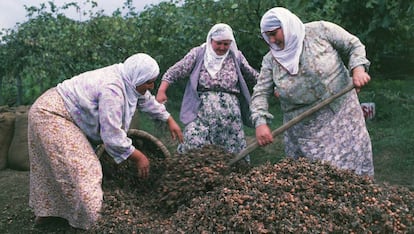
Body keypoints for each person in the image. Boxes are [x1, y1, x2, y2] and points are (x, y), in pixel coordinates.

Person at [28, 53, 183, 230]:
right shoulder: (113, 89)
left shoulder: (129, 79)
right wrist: (139, 157)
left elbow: (145, 99)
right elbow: (112, 137)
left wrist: (168, 118)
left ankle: (53, 216)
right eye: (149, 82)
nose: (152, 86)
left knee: (63, 168)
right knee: (84, 168)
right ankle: (98, 224)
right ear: (138, 77)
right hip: (52, 114)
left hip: (62, 112)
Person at [251, 7, 374, 176]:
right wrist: (260, 122)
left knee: (348, 171)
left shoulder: (319, 31)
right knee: (313, 178)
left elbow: (354, 45)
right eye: (267, 36)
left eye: (274, 33)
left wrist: (358, 69)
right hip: (302, 127)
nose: (272, 40)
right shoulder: (270, 60)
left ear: (286, 25)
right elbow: (260, 92)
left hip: (340, 113)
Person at [156, 23, 258, 158]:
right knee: (193, 142)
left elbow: (253, 75)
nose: (222, 47)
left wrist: (271, 87)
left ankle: (230, 177)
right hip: (201, 110)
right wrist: (162, 90)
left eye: (226, 44)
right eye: (219, 43)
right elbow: (176, 71)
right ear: (211, 40)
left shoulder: (236, 56)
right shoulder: (198, 53)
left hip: (230, 115)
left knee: (232, 152)